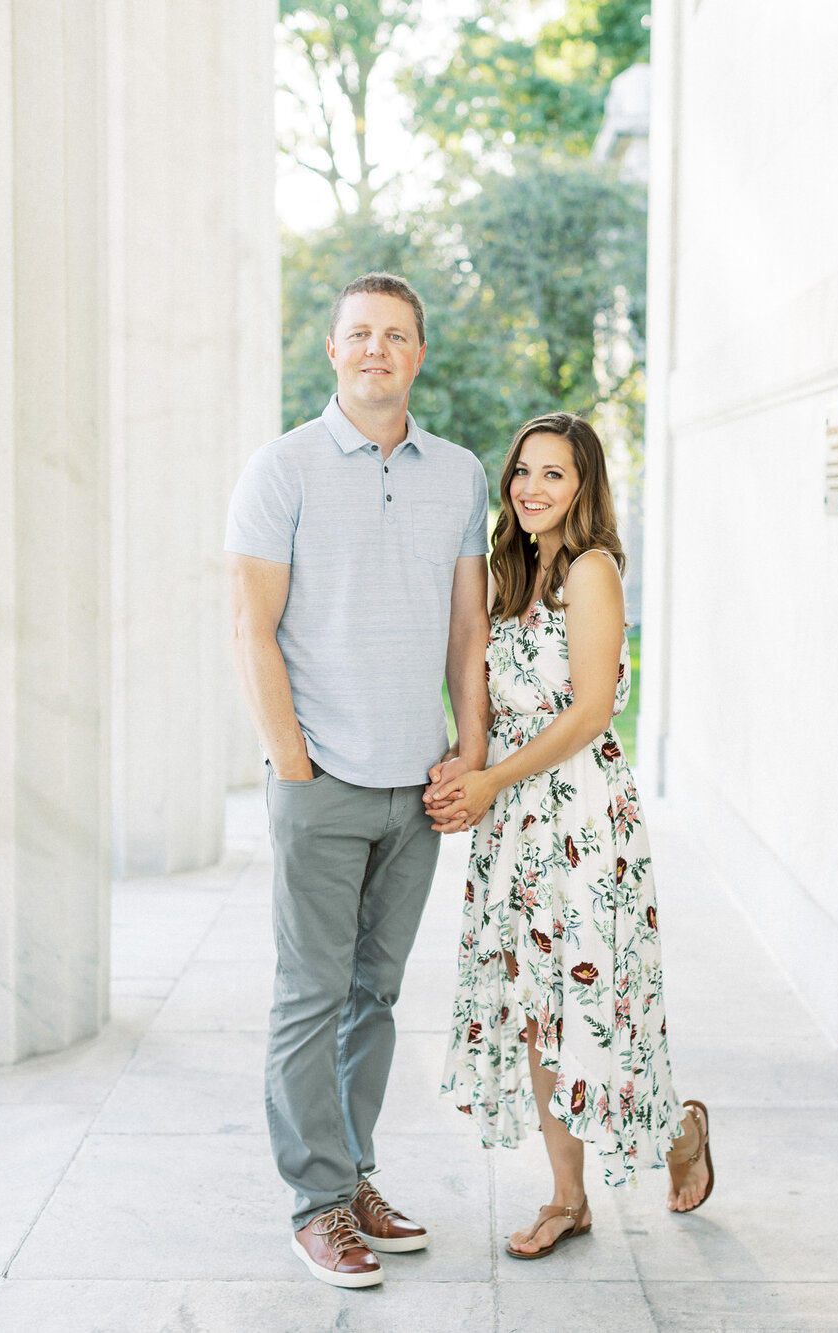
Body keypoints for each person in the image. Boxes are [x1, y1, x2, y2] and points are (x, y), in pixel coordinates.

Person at [224, 272, 490, 1288]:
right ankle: (315, 1203)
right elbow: (250, 624)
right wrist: (294, 763)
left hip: (416, 781)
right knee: (310, 993)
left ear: (418, 354)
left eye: (397, 335)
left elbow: (467, 623)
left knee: (372, 997)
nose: (377, 348)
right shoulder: (282, 468)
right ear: (332, 351)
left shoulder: (459, 473)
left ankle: (353, 1173)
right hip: (322, 774)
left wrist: (466, 749)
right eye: (360, 334)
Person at [425, 412, 713, 1259]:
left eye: (554, 473)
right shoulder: (510, 572)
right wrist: (464, 767)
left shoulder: (592, 571)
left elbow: (592, 712)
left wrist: (489, 781)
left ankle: (679, 1132)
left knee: (600, 1008)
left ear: (584, 485)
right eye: (523, 470)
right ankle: (566, 1197)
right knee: (534, 1008)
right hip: (514, 824)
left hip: (584, 820)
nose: (531, 487)